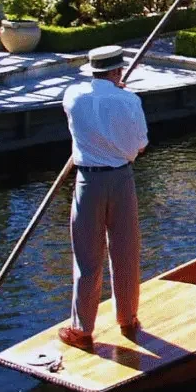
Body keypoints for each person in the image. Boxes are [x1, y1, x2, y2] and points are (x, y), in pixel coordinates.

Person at [57, 45, 148, 352]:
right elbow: (140, 146)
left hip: (88, 182)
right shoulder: (130, 100)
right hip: (121, 180)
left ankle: (82, 330)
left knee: (87, 258)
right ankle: (127, 318)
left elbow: (78, 117)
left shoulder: (73, 96)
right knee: (125, 252)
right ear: (117, 72)